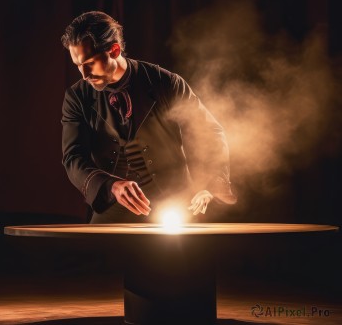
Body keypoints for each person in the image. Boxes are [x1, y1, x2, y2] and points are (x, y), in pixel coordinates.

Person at [60, 11, 236, 224]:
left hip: (174, 204)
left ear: (114, 50)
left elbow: (210, 133)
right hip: (113, 204)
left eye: (89, 62)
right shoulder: (76, 96)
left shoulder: (166, 83)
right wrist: (111, 186)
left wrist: (211, 185)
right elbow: (73, 158)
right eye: (78, 65)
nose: (84, 74)